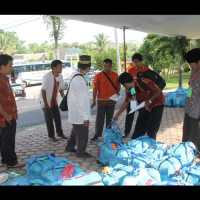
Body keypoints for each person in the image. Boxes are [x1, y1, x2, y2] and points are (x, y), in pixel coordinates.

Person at [113, 72, 165, 140]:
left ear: (125, 84)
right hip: (145, 106)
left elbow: (158, 90)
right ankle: (134, 144)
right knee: (139, 129)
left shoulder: (144, 81)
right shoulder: (132, 89)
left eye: (123, 85)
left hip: (157, 105)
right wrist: (117, 114)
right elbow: (126, 101)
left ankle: (150, 146)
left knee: (152, 130)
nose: (124, 87)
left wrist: (149, 101)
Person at [0, 54, 25, 168]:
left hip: (8, 115)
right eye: (10, 66)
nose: (12, 68)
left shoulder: (4, 78)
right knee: (8, 139)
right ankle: (11, 161)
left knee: (4, 139)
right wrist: (6, 115)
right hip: (6, 116)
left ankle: (6, 158)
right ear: (2, 66)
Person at [65, 55, 92, 158]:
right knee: (82, 133)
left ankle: (69, 147)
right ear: (88, 67)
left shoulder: (74, 75)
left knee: (75, 130)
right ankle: (81, 152)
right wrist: (85, 117)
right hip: (80, 113)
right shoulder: (80, 81)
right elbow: (81, 101)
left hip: (74, 111)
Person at [37, 60, 68, 142]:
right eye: (60, 66)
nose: (61, 68)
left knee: (58, 118)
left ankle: (60, 133)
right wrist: (46, 104)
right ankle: (51, 136)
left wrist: (65, 99)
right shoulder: (47, 76)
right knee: (49, 120)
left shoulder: (60, 76)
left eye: (62, 66)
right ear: (54, 67)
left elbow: (61, 89)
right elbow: (43, 91)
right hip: (46, 101)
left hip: (54, 101)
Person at [90, 59, 121, 140]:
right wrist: (93, 100)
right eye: (105, 66)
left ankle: (108, 134)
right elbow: (95, 89)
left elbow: (118, 86)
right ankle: (97, 134)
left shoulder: (115, 75)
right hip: (101, 101)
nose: (106, 68)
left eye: (108, 66)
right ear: (103, 66)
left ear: (111, 66)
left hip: (112, 101)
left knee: (109, 118)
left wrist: (117, 93)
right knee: (100, 118)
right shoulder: (98, 76)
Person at [123, 53, 150, 138]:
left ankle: (141, 132)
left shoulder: (147, 70)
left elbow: (149, 85)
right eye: (134, 62)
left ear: (141, 61)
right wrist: (132, 93)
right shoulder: (131, 70)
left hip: (143, 97)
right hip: (133, 96)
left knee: (143, 115)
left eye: (137, 62)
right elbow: (130, 84)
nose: (135, 64)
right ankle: (126, 132)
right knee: (130, 114)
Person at [182, 48, 200, 152]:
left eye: (192, 64)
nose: (190, 67)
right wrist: (187, 101)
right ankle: (185, 150)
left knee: (195, 133)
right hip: (189, 108)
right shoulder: (194, 72)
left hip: (197, 111)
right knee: (187, 131)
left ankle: (194, 152)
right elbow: (190, 86)